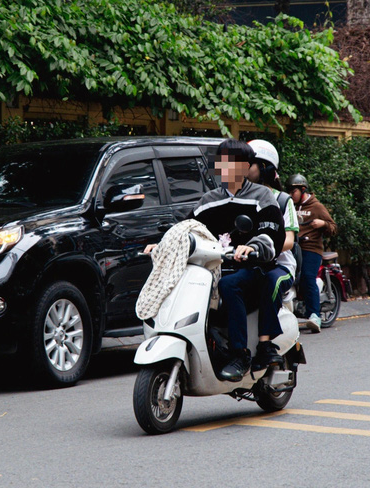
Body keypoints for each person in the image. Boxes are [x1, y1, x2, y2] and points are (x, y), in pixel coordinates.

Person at [143, 139, 285, 381]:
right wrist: (162, 245)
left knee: (229, 285)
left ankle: (240, 354)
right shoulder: (208, 200)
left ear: (244, 166)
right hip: (213, 269)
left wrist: (251, 248)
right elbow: (186, 228)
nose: (224, 166)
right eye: (221, 161)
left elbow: (272, 232)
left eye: (230, 162)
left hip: (252, 269)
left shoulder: (262, 196)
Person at [245, 139, 299, 372]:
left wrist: (262, 248)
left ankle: (266, 345)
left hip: (279, 266)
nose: (242, 168)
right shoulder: (243, 196)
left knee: (270, 282)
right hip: (249, 262)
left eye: (249, 164)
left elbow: (289, 241)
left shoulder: (283, 200)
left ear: (264, 167)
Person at [286, 174, 337, 333]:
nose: (290, 195)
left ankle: (314, 315)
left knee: (308, 277)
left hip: (311, 248)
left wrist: (323, 224)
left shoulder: (316, 207)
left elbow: (333, 228)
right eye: (288, 191)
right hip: (294, 248)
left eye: (292, 191)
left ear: (302, 190)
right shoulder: (290, 206)